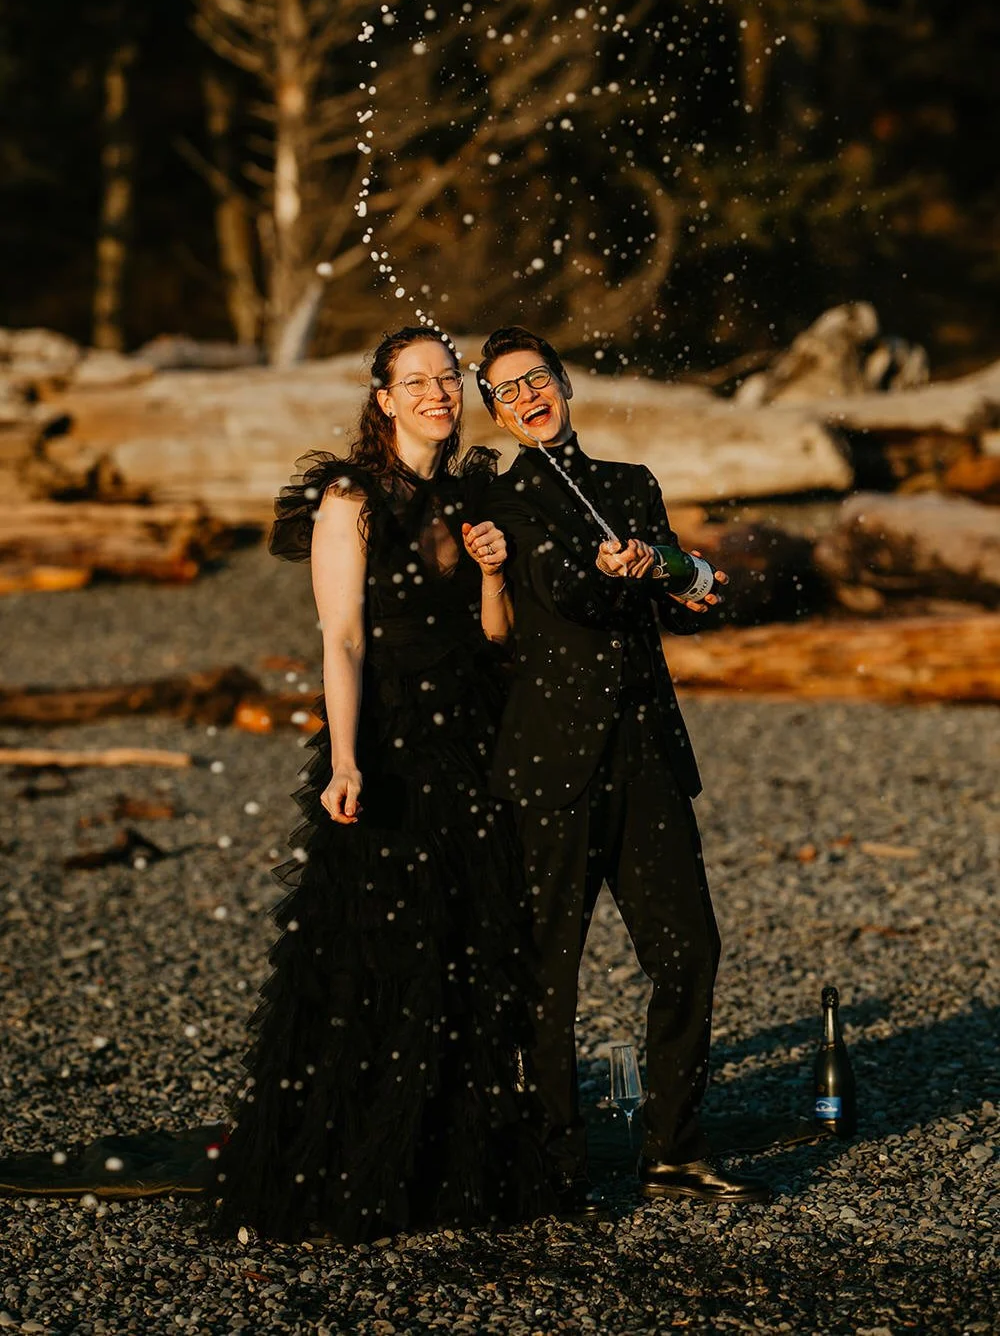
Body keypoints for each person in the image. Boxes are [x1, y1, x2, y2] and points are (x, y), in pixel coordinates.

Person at [213, 326, 552, 1244]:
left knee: (468, 937)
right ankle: (352, 1161)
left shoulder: (473, 491)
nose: (439, 393)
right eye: (418, 381)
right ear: (385, 399)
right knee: (376, 944)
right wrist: (349, 757)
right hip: (391, 739)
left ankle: (446, 1162)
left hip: (471, 736)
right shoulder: (350, 497)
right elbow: (344, 637)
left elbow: (495, 637)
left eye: (448, 378)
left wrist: (492, 573)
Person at [476, 325, 771, 1208]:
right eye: (507, 392)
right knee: (548, 975)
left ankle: (673, 1152)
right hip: (550, 768)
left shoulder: (631, 485)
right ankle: (555, 1168)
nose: (528, 396)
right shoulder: (507, 502)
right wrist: (614, 572)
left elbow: (684, 608)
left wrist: (669, 573)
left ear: (564, 385)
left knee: (690, 952)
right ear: (496, 414)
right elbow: (563, 593)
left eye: (538, 380)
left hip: (646, 757)